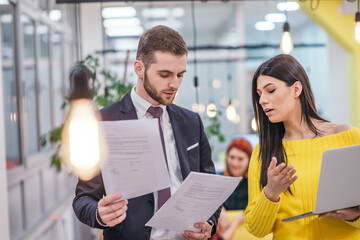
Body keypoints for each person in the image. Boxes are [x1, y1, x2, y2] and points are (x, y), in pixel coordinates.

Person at [72, 25, 221, 240]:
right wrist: (99, 214)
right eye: (165, 74)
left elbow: (209, 187)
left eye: (180, 75)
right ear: (139, 68)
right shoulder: (102, 122)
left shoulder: (191, 121)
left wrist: (209, 222)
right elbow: (83, 199)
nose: (174, 84)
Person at [245, 54, 360, 240]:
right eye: (259, 95)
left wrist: (355, 215)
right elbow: (256, 229)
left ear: (296, 89)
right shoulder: (263, 151)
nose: (262, 101)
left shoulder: (346, 136)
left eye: (271, 90)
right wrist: (271, 193)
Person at [212, 138, 252, 240]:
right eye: (232, 157)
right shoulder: (218, 181)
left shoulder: (254, 184)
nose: (234, 163)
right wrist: (219, 209)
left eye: (240, 159)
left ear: (249, 160)